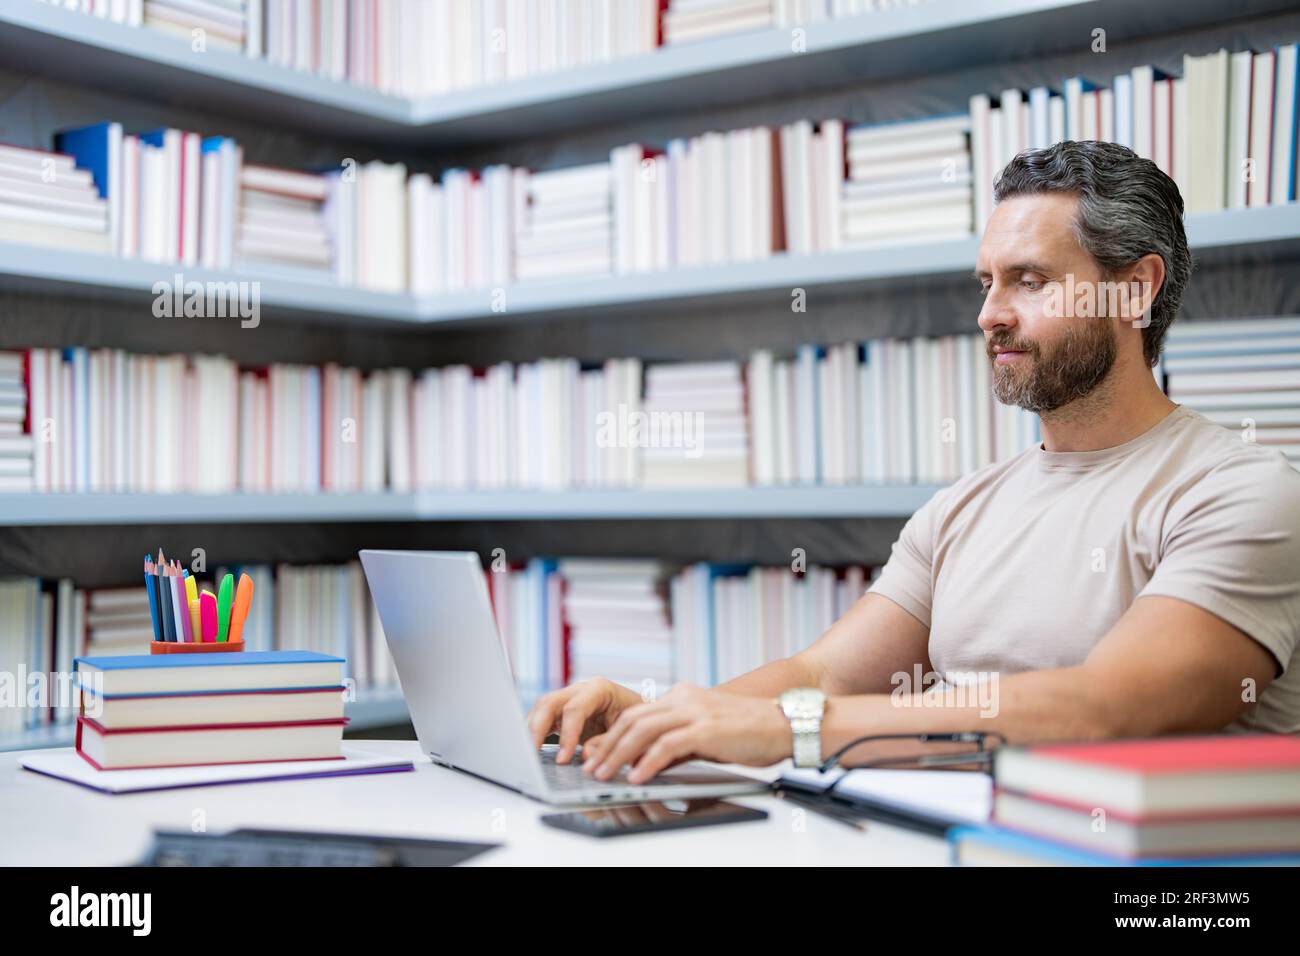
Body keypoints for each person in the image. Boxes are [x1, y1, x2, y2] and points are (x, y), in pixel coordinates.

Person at [526, 140, 1300, 785]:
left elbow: (1103, 707)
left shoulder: (1242, 491)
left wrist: (790, 734)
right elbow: (824, 676)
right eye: (988, 282)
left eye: (1029, 280)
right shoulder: (962, 508)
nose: (990, 313)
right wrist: (664, 719)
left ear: (1135, 291)